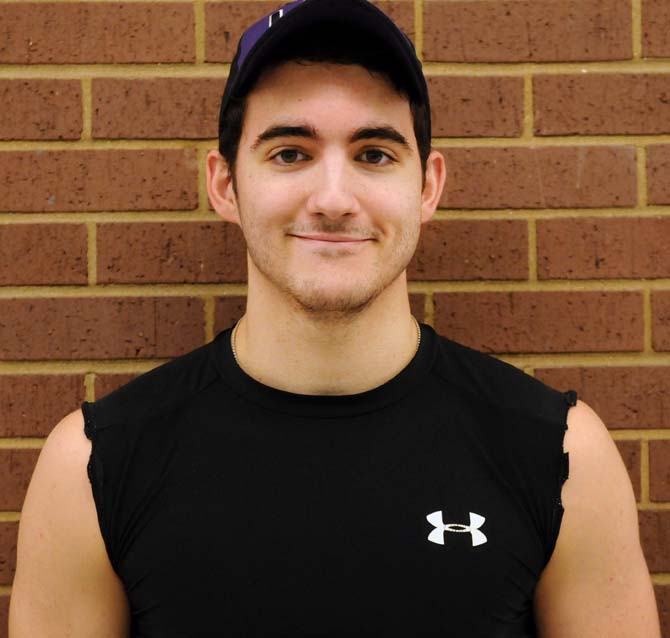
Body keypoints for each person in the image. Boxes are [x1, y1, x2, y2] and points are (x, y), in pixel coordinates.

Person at [9, 1, 660, 636]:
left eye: (374, 154)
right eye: (290, 152)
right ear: (225, 185)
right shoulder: (96, 467)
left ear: (427, 186)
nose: (333, 199)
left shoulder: (560, 456)